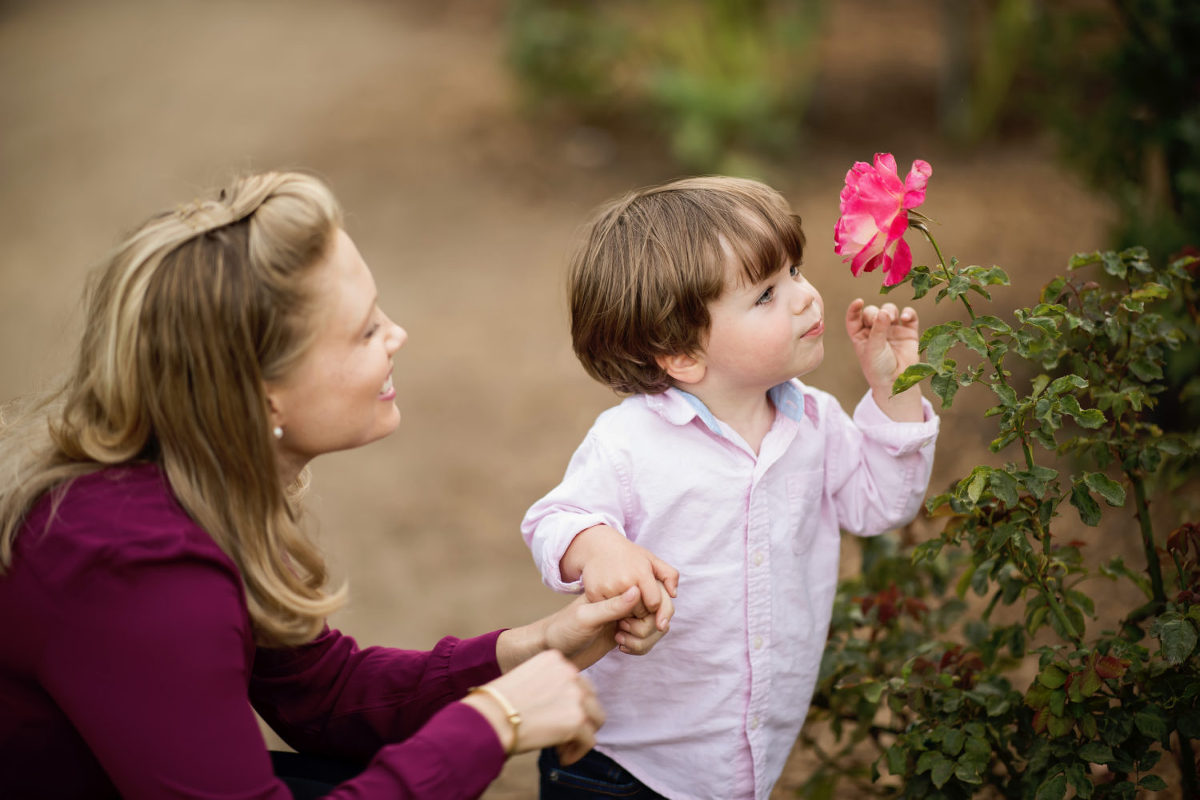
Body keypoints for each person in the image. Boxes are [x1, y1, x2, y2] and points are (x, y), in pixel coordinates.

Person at [0, 171, 671, 799]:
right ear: (262, 401)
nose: (398, 335)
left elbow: (322, 697)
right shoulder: (137, 569)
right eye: (365, 330)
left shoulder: (195, 486)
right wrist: (495, 722)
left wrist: (534, 647)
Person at [521, 176, 940, 799]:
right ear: (682, 353)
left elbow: (879, 505)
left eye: (795, 271)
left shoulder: (816, 421)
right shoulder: (631, 442)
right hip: (618, 765)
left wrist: (894, 393)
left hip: (744, 760)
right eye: (768, 294)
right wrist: (600, 546)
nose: (805, 297)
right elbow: (554, 520)